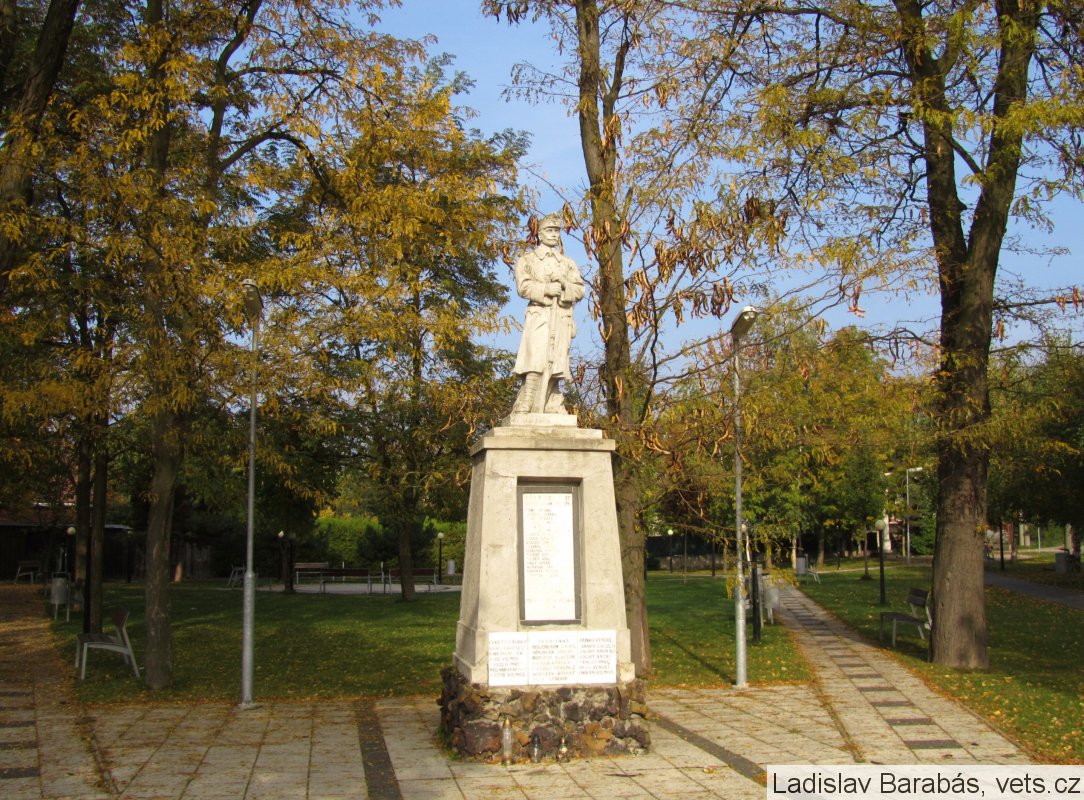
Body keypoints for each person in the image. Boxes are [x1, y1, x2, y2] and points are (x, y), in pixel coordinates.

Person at [512, 214, 585, 414]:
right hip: (540, 314)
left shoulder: (567, 263)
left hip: (561, 316)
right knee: (535, 357)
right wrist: (546, 289)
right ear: (540, 234)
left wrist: (564, 285)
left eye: (556, 231)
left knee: (557, 360)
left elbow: (579, 290)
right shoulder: (528, 260)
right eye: (549, 230)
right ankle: (528, 400)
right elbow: (523, 286)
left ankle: (552, 399)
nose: (553, 234)